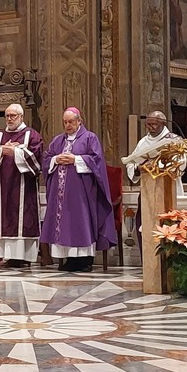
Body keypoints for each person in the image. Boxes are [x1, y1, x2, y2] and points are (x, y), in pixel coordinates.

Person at [40, 107, 117, 272]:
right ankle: (68, 259)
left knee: (80, 222)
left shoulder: (90, 138)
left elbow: (97, 161)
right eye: (65, 122)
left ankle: (84, 261)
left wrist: (76, 160)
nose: (67, 125)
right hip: (60, 195)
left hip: (81, 193)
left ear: (79, 121)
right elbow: (46, 160)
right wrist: (55, 159)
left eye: (71, 122)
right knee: (63, 224)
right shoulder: (58, 141)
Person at [0, 103, 43, 268]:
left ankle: (23, 257)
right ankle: (8, 256)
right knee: (6, 217)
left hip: (24, 186)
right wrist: (1, 151)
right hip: (4, 186)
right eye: (7, 116)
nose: (9, 119)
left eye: (13, 116)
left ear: (21, 117)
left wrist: (17, 152)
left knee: (23, 219)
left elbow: (38, 156)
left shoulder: (31, 135)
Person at [122, 110, 184, 255]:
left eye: (154, 124)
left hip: (167, 190)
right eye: (148, 125)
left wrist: (157, 165)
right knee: (143, 223)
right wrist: (138, 168)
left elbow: (181, 163)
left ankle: (169, 259)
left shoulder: (174, 140)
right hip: (147, 191)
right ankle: (147, 260)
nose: (150, 127)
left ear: (163, 123)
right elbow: (132, 163)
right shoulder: (143, 142)